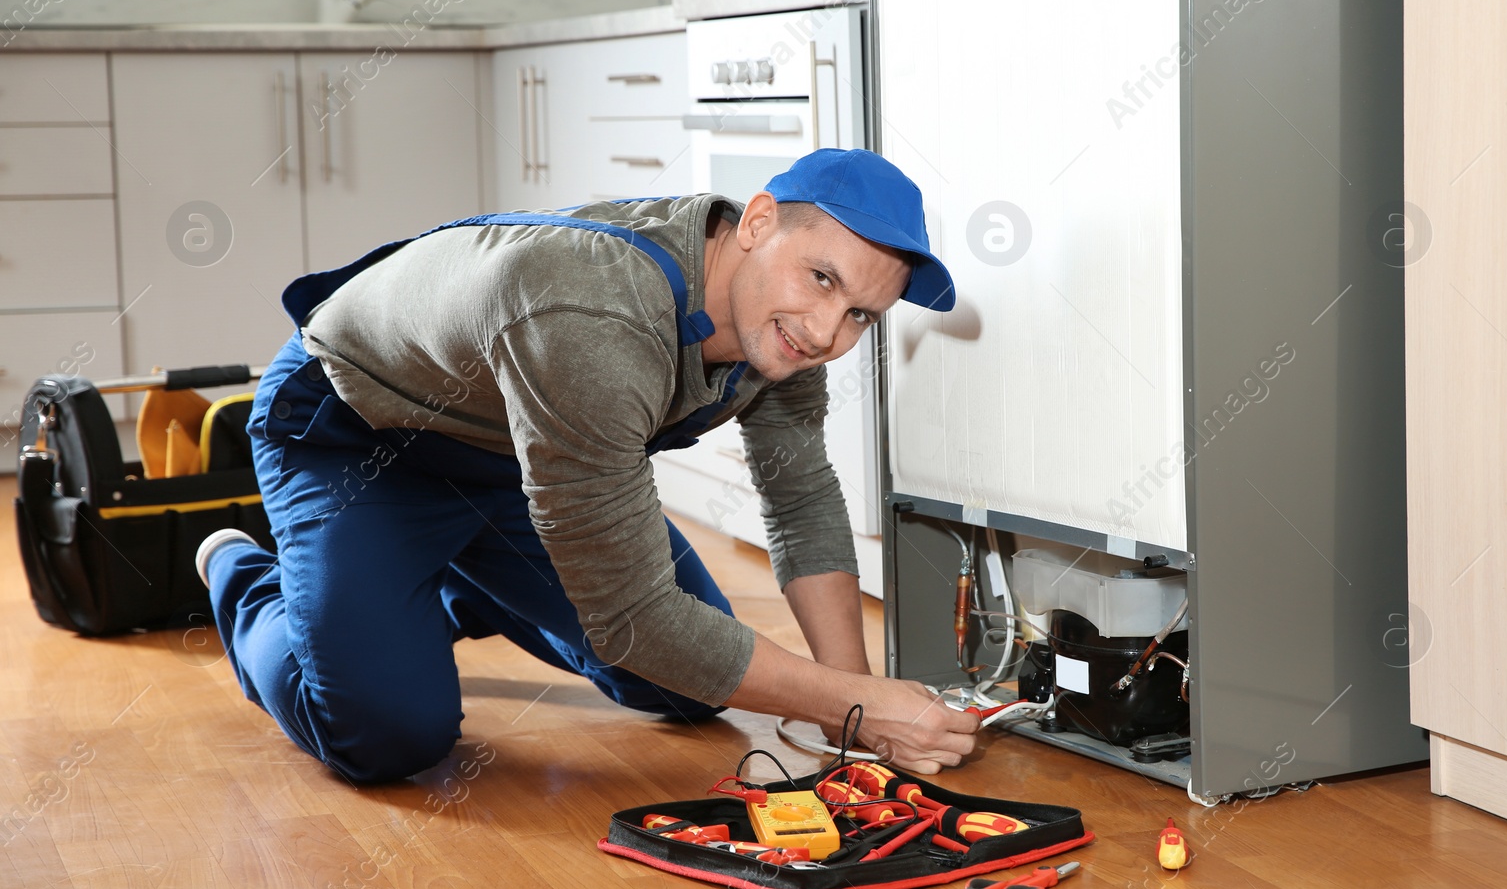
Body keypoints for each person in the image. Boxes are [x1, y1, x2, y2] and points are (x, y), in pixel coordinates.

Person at [197, 147, 980, 782]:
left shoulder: (779, 331)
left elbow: (801, 496)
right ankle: (243, 575)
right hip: (360, 435)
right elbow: (637, 620)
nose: (825, 330)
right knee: (388, 735)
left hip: (515, 458)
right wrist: (854, 702)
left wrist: (855, 707)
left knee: (684, 685)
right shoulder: (592, 316)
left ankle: (426, 592)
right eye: (821, 277)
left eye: (859, 316)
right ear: (759, 222)